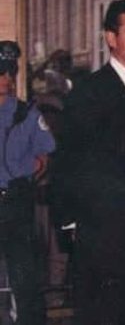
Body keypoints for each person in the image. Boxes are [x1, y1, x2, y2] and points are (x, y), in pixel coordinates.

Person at [51, 0, 125, 324]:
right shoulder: (90, 92)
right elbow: (69, 163)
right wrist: (73, 226)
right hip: (102, 240)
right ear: (111, 38)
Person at [0, 41, 53, 325]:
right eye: (1, 71)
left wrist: (37, 166)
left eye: (11, 71)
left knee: (26, 282)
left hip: (16, 203)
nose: (7, 78)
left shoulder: (26, 113)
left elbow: (46, 154)